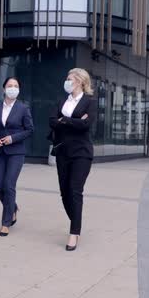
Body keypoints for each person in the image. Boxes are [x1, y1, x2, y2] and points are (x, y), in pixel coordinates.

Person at [48, 68, 96, 251]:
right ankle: (76, 220)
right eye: (66, 79)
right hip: (62, 151)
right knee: (64, 192)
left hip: (82, 153)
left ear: (80, 81)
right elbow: (51, 121)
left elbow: (86, 125)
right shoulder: (61, 100)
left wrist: (64, 120)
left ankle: (74, 232)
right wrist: (72, 120)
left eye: (70, 79)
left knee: (75, 190)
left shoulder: (89, 102)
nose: (67, 82)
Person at [0, 77, 34, 237]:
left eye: (16, 86)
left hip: (16, 152)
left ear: (19, 89)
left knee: (8, 185)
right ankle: (12, 207)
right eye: (10, 85)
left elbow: (29, 130)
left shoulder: (23, 108)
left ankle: (6, 222)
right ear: (4, 88)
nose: (13, 88)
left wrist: (13, 138)